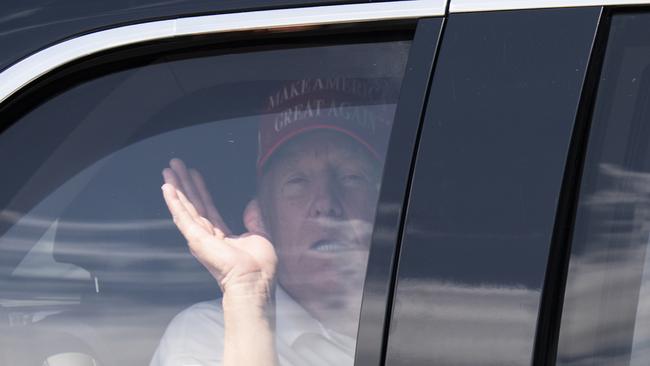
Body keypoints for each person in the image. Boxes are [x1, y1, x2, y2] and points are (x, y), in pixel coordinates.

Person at [151, 78, 393, 366]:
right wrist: (248, 295)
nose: (326, 202)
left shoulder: (436, 320)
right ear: (260, 218)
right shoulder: (210, 335)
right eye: (297, 181)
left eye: (351, 177)